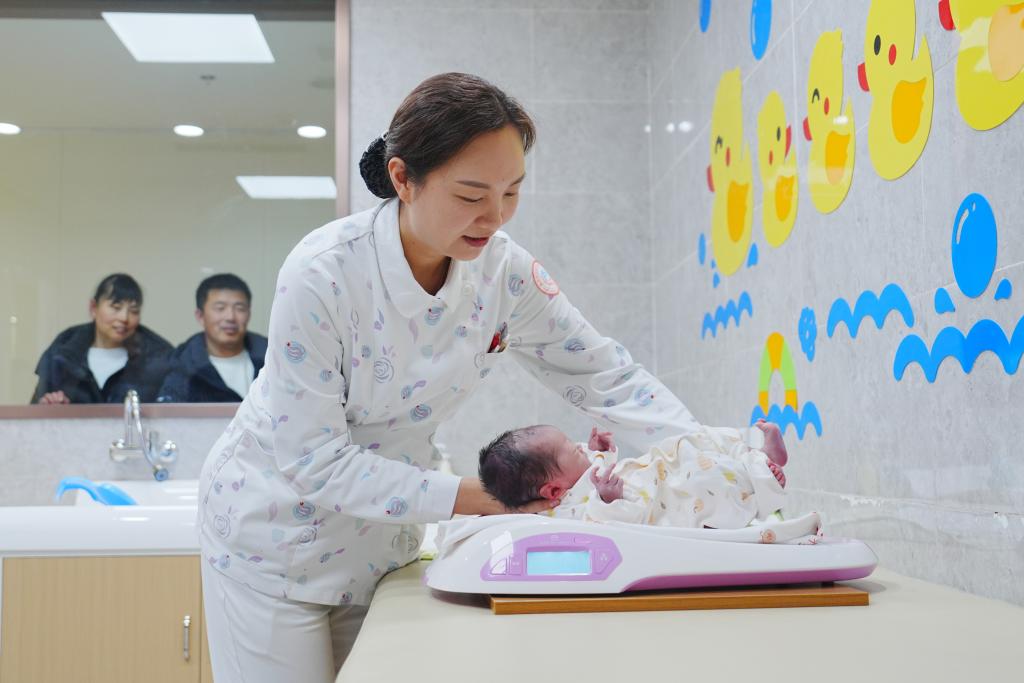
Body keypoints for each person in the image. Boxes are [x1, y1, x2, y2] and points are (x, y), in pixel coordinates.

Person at [197, 72, 706, 683]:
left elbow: (606, 374)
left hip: (382, 542)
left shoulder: (504, 273)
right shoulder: (322, 275)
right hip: (272, 537)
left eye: (511, 192)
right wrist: (486, 497)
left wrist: (715, 467)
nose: (494, 216)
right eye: (471, 195)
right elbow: (314, 461)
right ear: (402, 178)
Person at [479, 419, 789, 529]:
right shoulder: (563, 512)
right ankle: (761, 474)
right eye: (572, 450)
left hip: (658, 471)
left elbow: (595, 469)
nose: (579, 448)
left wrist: (599, 452)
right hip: (666, 503)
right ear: (553, 491)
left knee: (687, 443)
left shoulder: (569, 477)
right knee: (704, 481)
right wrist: (608, 501)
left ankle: (752, 451)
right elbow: (599, 525)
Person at [32, 273, 172, 404]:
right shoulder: (65, 348)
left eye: (134, 311)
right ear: (93, 308)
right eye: (116, 307)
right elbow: (37, 408)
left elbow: (170, 411)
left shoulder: (158, 356)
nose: (124, 318)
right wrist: (52, 406)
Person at [157, 273, 268, 402]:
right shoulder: (182, 366)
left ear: (249, 313)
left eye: (240, 308)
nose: (230, 317)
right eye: (220, 308)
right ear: (200, 316)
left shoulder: (272, 357)